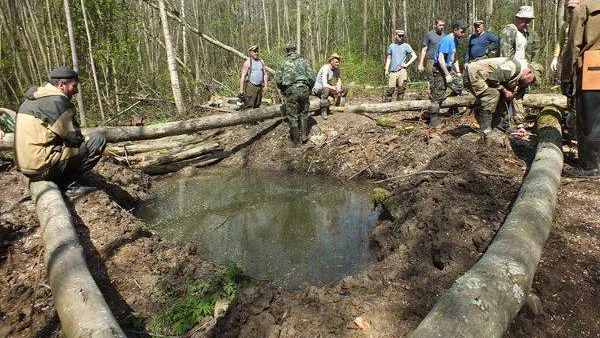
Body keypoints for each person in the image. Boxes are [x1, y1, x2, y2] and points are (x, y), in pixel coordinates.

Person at [14, 66, 106, 196]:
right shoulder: (57, 102)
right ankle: (69, 185)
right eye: (74, 86)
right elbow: (74, 138)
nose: (76, 91)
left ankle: (63, 178)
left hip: (25, 167)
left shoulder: (31, 99)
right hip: (40, 168)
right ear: (62, 84)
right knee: (97, 139)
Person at [560, 0, 600, 176]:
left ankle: (590, 166)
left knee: (589, 120)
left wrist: (567, 77)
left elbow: (574, 45)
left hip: (593, 67)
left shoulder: (583, 8)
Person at [463, 57, 542, 140]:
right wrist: (504, 91)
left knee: (504, 97)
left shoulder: (521, 84)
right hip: (474, 74)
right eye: (533, 80)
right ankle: (485, 130)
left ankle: (498, 128)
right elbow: (493, 79)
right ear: (528, 72)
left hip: (486, 79)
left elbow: (518, 103)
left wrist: (520, 126)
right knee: (493, 94)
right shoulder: (512, 67)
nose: (531, 84)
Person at [427, 20, 469, 126]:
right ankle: (433, 119)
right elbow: (441, 59)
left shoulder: (456, 40)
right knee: (438, 95)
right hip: (440, 69)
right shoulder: (447, 40)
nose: (463, 33)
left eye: (464, 31)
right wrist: (447, 75)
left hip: (448, 68)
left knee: (459, 86)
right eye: (462, 31)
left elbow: (454, 57)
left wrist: (458, 72)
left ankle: (452, 109)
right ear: (455, 30)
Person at [275, 44, 314, 147]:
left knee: (292, 115)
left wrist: (284, 90)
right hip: (304, 88)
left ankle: (295, 140)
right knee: (304, 112)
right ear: (295, 50)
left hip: (291, 90)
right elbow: (311, 77)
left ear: (287, 51)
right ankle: (304, 135)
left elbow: (278, 80)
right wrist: (308, 89)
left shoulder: (283, 62)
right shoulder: (304, 61)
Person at [384, 30, 417, 102]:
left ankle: (399, 107)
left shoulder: (406, 46)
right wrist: (386, 69)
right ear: (395, 36)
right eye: (399, 36)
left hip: (402, 71)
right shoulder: (391, 46)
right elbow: (389, 58)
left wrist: (406, 64)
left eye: (402, 36)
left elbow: (414, 56)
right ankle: (387, 106)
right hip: (393, 71)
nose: (401, 37)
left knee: (401, 90)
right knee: (390, 90)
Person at [312, 53, 348, 119]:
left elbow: (339, 80)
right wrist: (333, 88)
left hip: (327, 87)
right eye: (336, 62)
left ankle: (339, 106)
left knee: (345, 88)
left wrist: (339, 87)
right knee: (326, 89)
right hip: (318, 88)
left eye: (338, 62)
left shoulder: (336, 69)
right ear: (331, 62)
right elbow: (324, 84)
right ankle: (324, 111)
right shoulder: (326, 68)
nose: (338, 63)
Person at [551, 0, 581, 72]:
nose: (571, 12)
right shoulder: (565, 25)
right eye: (570, 10)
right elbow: (560, 42)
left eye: (573, 9)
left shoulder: (583, 23)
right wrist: (555, 57)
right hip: (567, 56)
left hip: (580, 55)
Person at [417, 17, 445, 94]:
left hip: (442, 61)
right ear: (435, 25)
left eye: (443, 25)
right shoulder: (429, 34)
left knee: (441, 80)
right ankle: (433, 99)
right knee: (432, 80)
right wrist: (421, 63)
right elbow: (424, 49)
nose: (442, 27)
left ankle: (440, 97)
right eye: (440, 25)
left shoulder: (445, 36)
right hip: (431, 60)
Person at [238, 45, 268, 109]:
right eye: (254, 52)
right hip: (251, 85)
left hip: (259, 86)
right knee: (249, 104)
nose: (256, 53)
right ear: (250, 53)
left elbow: (265, 74)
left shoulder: (261, 62)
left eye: (257, 51)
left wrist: (265, 86)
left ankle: (256, 118)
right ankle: (246, 118)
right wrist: (241, 90)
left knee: (257, 104)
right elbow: (243, 77)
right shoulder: (247, 63)